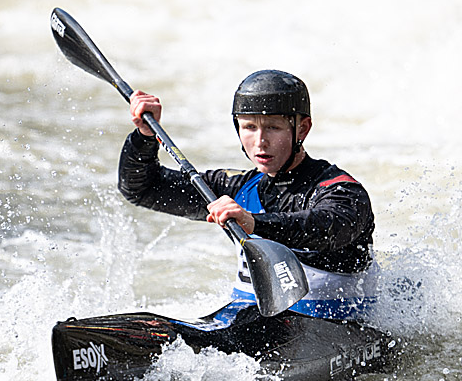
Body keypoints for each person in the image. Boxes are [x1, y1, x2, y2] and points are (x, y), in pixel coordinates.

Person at [119, 69, 376, 319]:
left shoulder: (340, 189)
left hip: (335, 329)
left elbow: (328, 229)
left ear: (303, 129)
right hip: (248, 321)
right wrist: (145, 136)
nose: (260, 141)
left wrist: (254, 223)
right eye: (250, 127)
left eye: (274, 127)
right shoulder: (236, 188)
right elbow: (142, 189)